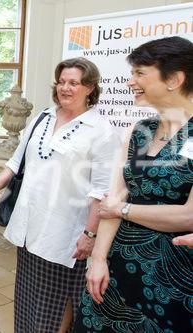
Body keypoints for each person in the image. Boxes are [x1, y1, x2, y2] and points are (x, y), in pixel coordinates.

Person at [0, 57, 119, 332]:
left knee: (56, 306)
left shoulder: (102, 132)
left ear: (90, 88)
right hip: (29, 228)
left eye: (74, 83)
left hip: (64, 235)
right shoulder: (42, 117)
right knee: (26, 299)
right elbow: (16, 160)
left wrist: (90, 234)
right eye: (61, 82)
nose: (65, 88)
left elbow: (101, 192)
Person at [75, 36, 193, 332]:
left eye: (140, 73)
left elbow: (189, 215)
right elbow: (111, 199)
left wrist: (123, 210)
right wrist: (99, 259)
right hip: (116, 266)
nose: (131, 82)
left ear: (174, 79)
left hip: (172, 276)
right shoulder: (140, 130)